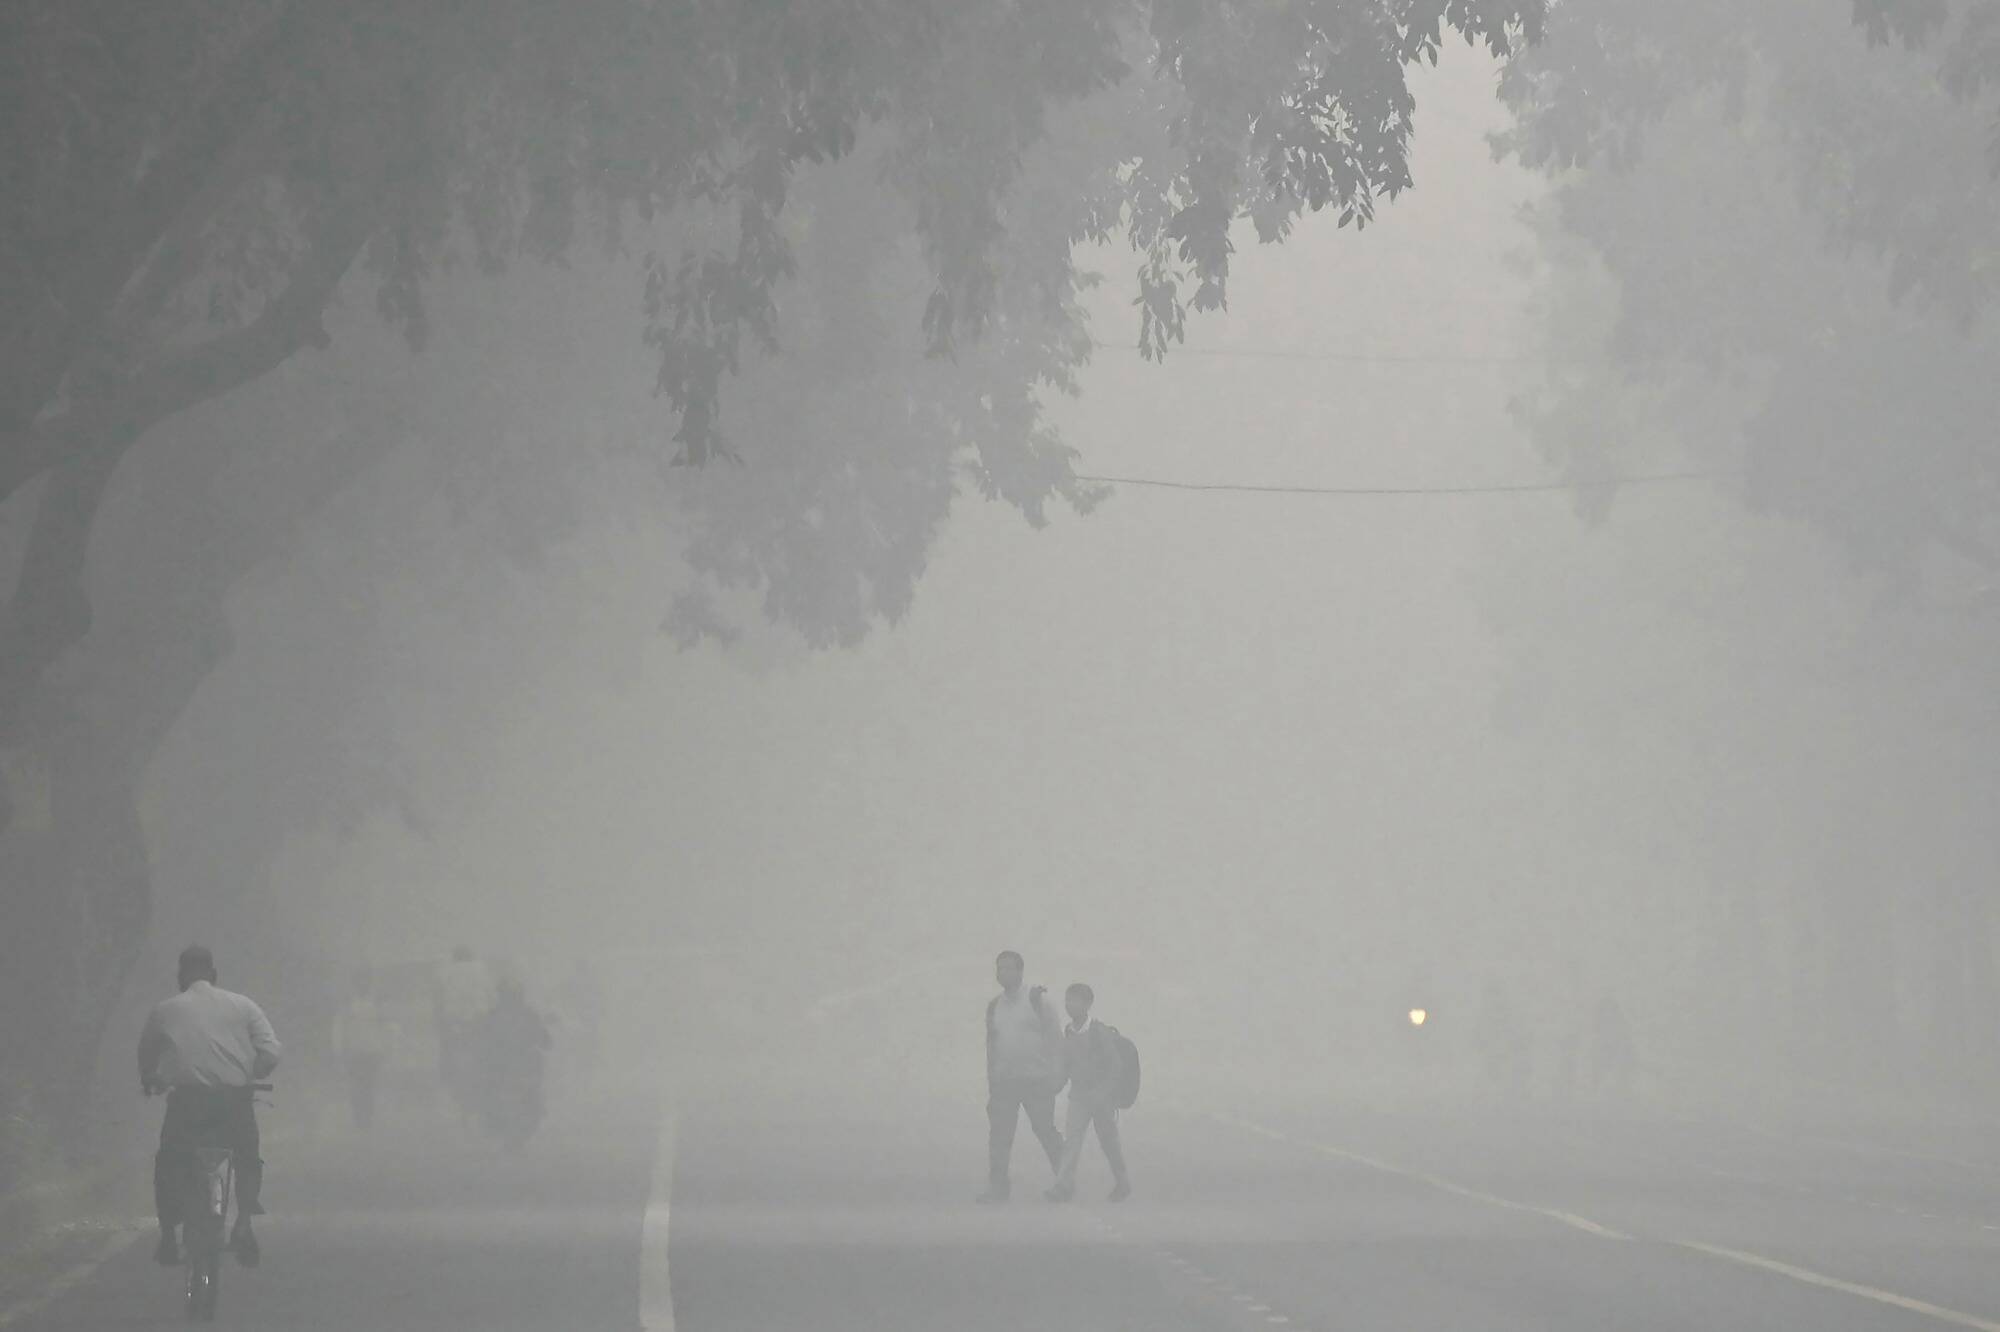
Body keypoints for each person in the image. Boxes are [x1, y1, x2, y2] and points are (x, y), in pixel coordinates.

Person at [138, 945, 282, 1268]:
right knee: (247, 1156)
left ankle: (168, 1237)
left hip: (186, 1105)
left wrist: (151, 1079)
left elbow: (147, 1054)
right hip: (234, 1104)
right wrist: (252, 1073)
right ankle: (243, 1222)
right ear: (214, 976)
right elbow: (271, 1051)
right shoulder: (243, 1006)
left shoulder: (165, 1010)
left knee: (169, 1162)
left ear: (180, 978)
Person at [977, 950, 1065, 1204]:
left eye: (1007, 968)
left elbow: (1055, 1040)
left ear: (1020, 971)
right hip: (1004, 1082)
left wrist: (1056, 1076)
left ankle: (1064, 1180)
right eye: (999, 968)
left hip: (1036, 1080)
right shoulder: (994, 1006)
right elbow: (991, 1045)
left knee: (1045, 1130)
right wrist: (992, 1080)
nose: (1002, 973)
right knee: (999, 1137)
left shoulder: (1038, 1000)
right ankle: (998, 1188)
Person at [1046, 982, 1130, 1203]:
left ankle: (1122, 1182)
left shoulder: (1099, 1031)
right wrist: (1054, 1086)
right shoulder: (1069, 1032)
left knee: (1109, 1142)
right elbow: (1066, 1065)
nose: (1069, 1005)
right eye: (1067, 1000)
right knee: (1071, 1141)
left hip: (1101, 1099)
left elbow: (1115, 1067)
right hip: (1079, 1096)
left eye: (1074, 1000)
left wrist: (1103, 1093)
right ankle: (1063, 1187)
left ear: (1087, 1004)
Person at [469, 974, 553, 1147]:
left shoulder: (493, 1016)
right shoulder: (529, 1014)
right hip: (513, 1066)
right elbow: (546, 1041)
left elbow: (480, 1042)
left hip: (509, 1066)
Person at [332, 971, 399, 1132]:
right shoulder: (348, 1004)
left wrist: (388, 1047)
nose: (363, 985)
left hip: (372, 1052)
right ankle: (360, 1118)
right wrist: (339, 1050)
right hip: (354, 1052)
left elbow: (388, 1027)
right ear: (356, 985)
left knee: (367, 1085)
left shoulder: (376, 1003)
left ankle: (365, 1118)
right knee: (357, 1086)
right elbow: (339, 1028)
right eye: (360, 982)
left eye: (365, 982)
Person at [434, 945, 495, 1116]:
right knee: (489, 1055)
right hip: (479, 1021)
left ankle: (448, 1081)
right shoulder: (482, 970)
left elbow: (438, 1001)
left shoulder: (444, 972)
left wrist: (440, 1023)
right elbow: (492, 998)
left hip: (454, 1022)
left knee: (447, 1054)